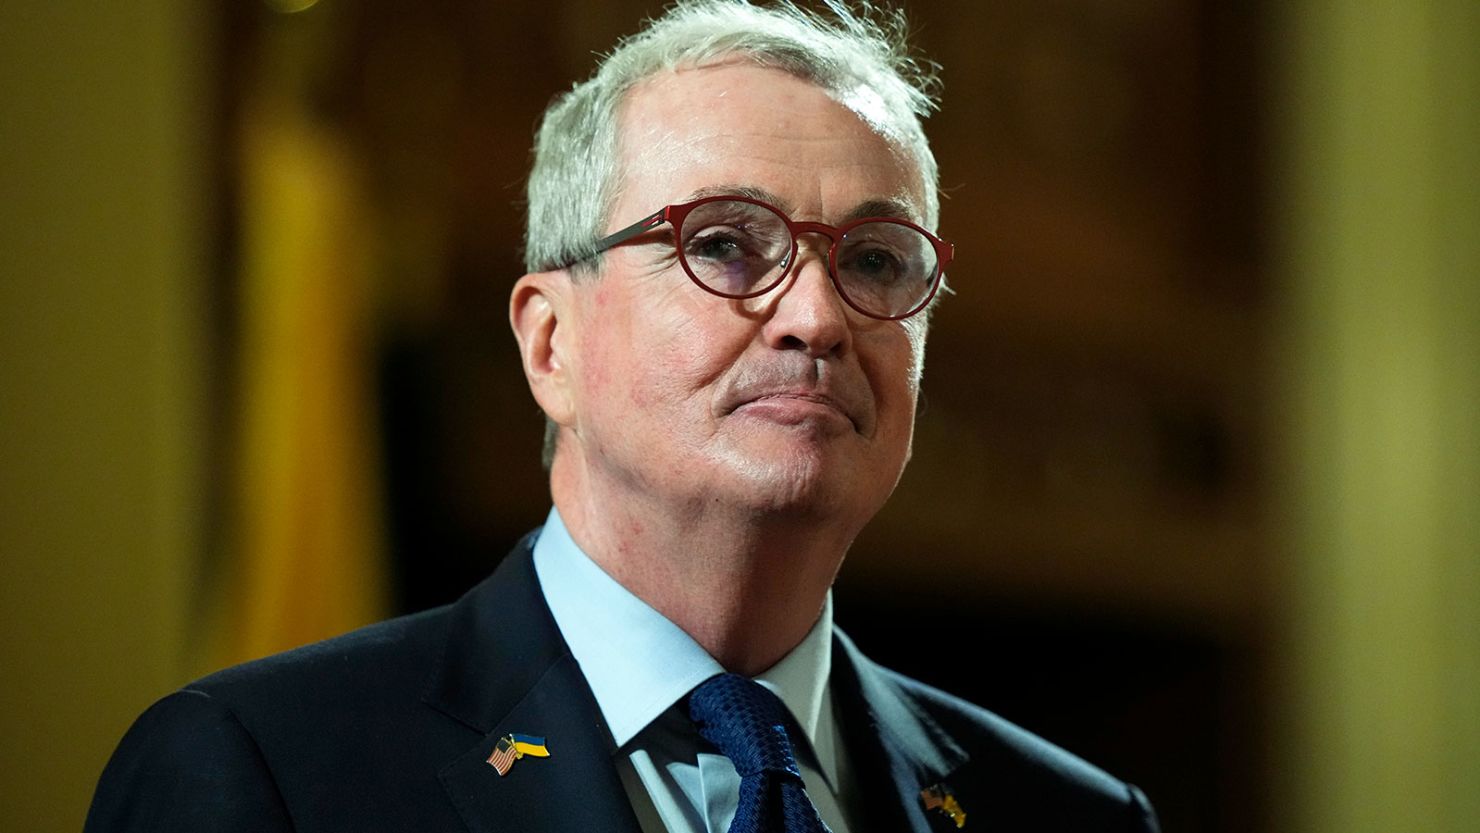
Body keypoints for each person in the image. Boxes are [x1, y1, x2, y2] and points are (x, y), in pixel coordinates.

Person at [86, 2, 1160, 831]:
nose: (818, 317)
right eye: (727, 243)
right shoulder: (264, 769)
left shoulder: (1070, 815)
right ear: (551, 342)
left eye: (876, 261)